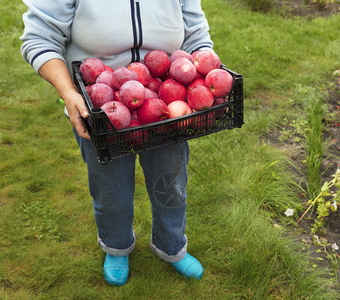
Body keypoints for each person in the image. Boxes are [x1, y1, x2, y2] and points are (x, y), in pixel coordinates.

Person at [20, 0, 214, 286]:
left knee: (170, 182)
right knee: (109, 187)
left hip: (166, 100)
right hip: (100, 107)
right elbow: (40, 37)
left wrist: (206, 69)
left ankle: (171, 247)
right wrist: (67, 92)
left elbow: (196, 34)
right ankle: (116, 247)